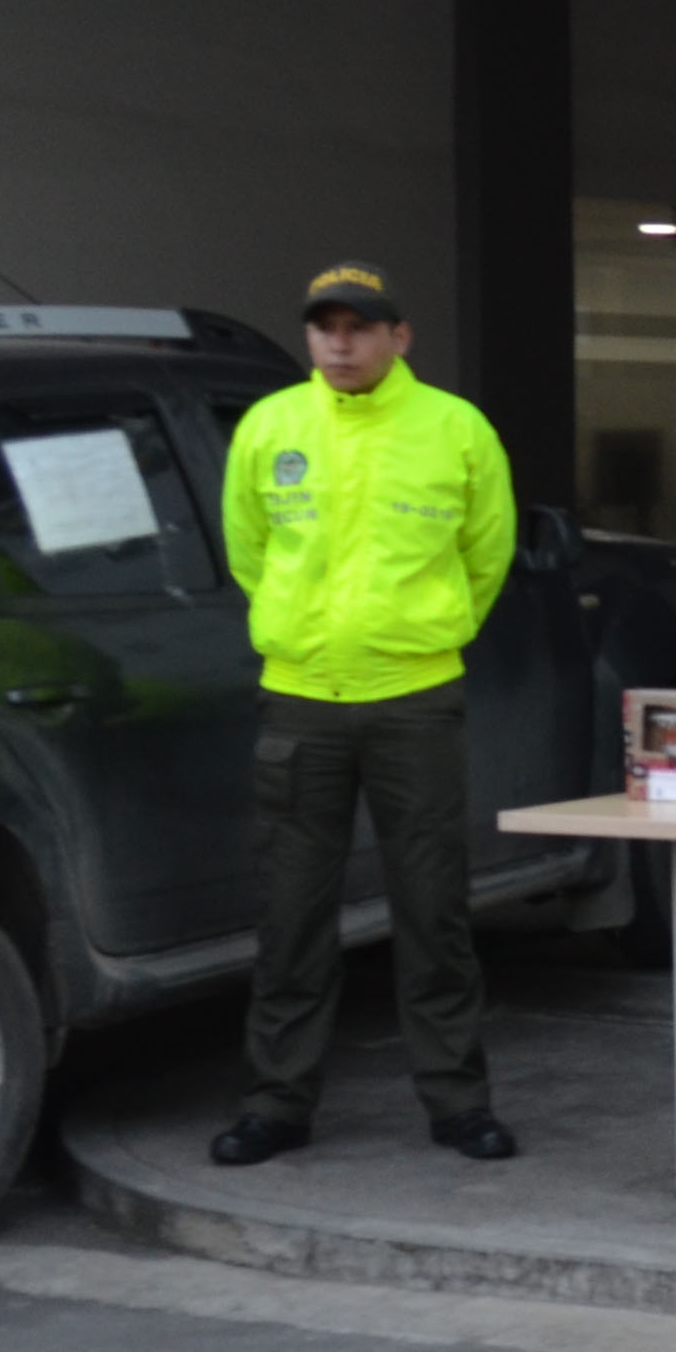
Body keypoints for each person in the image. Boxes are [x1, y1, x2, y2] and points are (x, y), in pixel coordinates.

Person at [209, 264, 522, 1166]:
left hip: (413, 701)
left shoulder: (456, 430)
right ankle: (277, 1105)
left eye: (358, 327)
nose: (339, 344)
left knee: (434, 912)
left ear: (400, 336)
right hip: (302, 699)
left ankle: (459, 1104)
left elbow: (486, 551)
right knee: (291, 915)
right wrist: (301, 631)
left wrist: (429, 631)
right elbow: (248, 549)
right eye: (324, 328)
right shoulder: (272, 426)